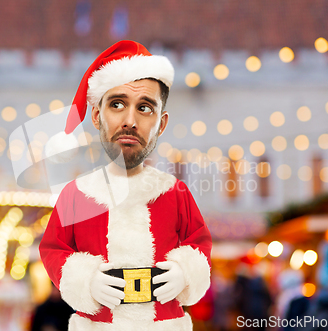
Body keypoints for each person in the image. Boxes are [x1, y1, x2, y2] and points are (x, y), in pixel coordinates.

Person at [38, 40, 212, 330]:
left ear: (161, 123)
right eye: (117, 104)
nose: (130, 120)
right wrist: (85, 280)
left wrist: (186, 272)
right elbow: (53, 249)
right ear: (97, 115)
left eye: (145, 108)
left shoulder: (175, 193)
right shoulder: (76, 196)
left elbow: (199, 244)